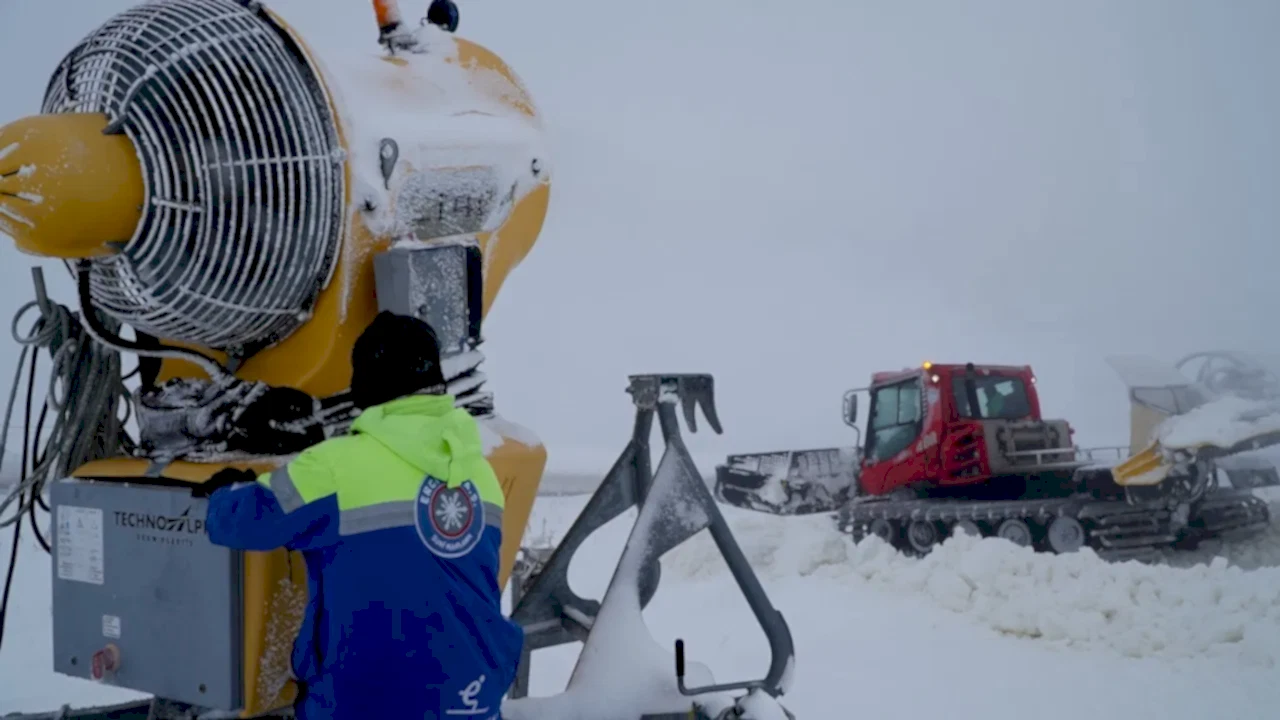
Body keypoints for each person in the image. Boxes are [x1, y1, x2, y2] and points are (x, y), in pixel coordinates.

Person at [201, 311, 523, 720]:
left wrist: (225, 491)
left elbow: (242, 523)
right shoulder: (479, 471)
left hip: (369, 698)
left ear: (368, 383)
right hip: (471, 695)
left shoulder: (336, 467)